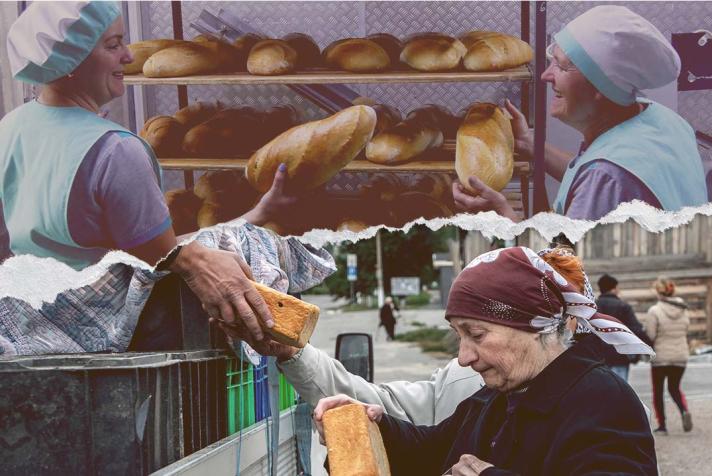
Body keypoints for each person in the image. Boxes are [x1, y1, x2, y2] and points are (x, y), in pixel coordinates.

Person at [0, 1, 300, 342]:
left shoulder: (8, 130)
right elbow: (164, 258)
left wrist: (260, 212)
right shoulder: (116, 151)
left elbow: (155, 250)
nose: (128, 56)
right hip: (113, 349)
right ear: (73, 60)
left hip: (29, 340)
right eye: (113, 46)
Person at [314, 247, 657, 475]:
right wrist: (372, 424)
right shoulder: (494, 398)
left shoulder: (605, 403)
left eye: (476, 335)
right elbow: (430, 449)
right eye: (458, 336)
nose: (463, 357)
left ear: (534, 326)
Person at [453, 5, 708, 221]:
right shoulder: (663, 119)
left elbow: (559, 272)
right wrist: (531, 145)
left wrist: (502, 217)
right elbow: (594, 177)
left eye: (562, 67)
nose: (545, 75)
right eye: (552, 60)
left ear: (600, 87)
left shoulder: (606, 177)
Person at [645, 276, 693, 435]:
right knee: (674, 388)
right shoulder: (683, 308)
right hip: (680, 355)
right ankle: (684, 410)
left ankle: (663, 425)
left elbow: (651, 335)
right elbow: (686, 329)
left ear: (658, 292)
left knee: (658, 391)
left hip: (660, 357)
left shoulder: (655, 311)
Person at [595, 273, 653, 381]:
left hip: (598, 357)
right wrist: (649, 345)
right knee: (620, 390)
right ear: (614, 288)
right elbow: (636, 329)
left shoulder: (594, 306)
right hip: (620, 355)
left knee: (602, 392)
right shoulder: (623, 306)